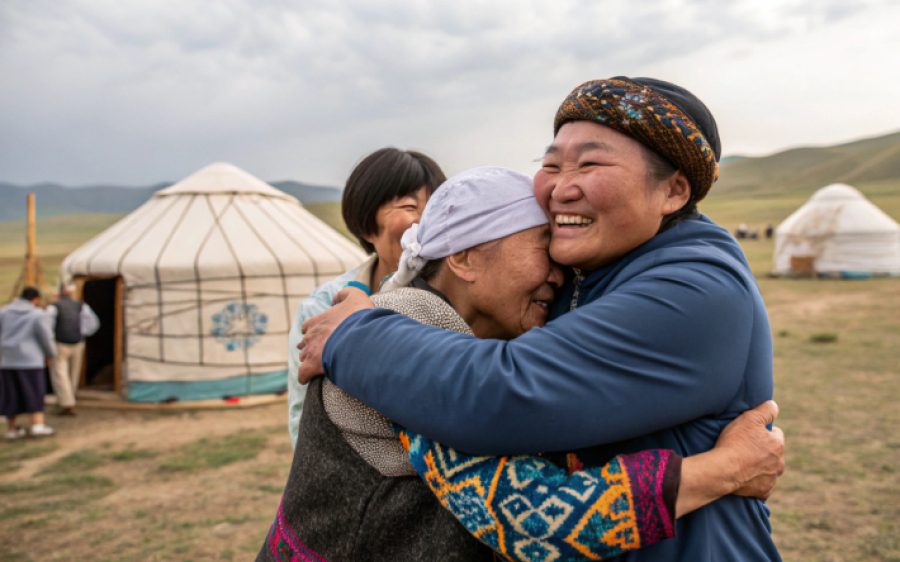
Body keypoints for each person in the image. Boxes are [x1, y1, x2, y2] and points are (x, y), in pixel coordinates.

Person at [299, 78, 782, 561]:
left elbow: (505, 394)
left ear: (673, 190)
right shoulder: (593, 269)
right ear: (462, 257)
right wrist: (724, 470)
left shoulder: (697, 289)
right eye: (550, 165)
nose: (560, 189)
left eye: (590, 164)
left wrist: (351, 334)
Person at [286, 147, 446, 445]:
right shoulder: (322, 306)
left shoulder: (458, 298)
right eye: (410, 206)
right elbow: (302, 415)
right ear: (366, 226)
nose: (425, 223)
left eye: (436, 208)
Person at [0, 287, 56, 439]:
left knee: (11, 395)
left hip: (7, 360)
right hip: (31, 361)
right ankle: (37, 425)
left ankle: (11, 430)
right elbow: (46, 337)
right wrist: (50, 354)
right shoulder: (38, 314)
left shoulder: (4, 312)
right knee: (35, 392)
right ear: (35, 299)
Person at [46, 283, 100, 415]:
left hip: (60, 343)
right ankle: (70, 400)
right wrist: (82, 333)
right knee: (73, 374)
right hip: (78, 343)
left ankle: (67, 403)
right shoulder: (81, 305)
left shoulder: (54, 306)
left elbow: (47, 326)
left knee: (60, 374)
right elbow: (93, 323)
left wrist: (49, 342)